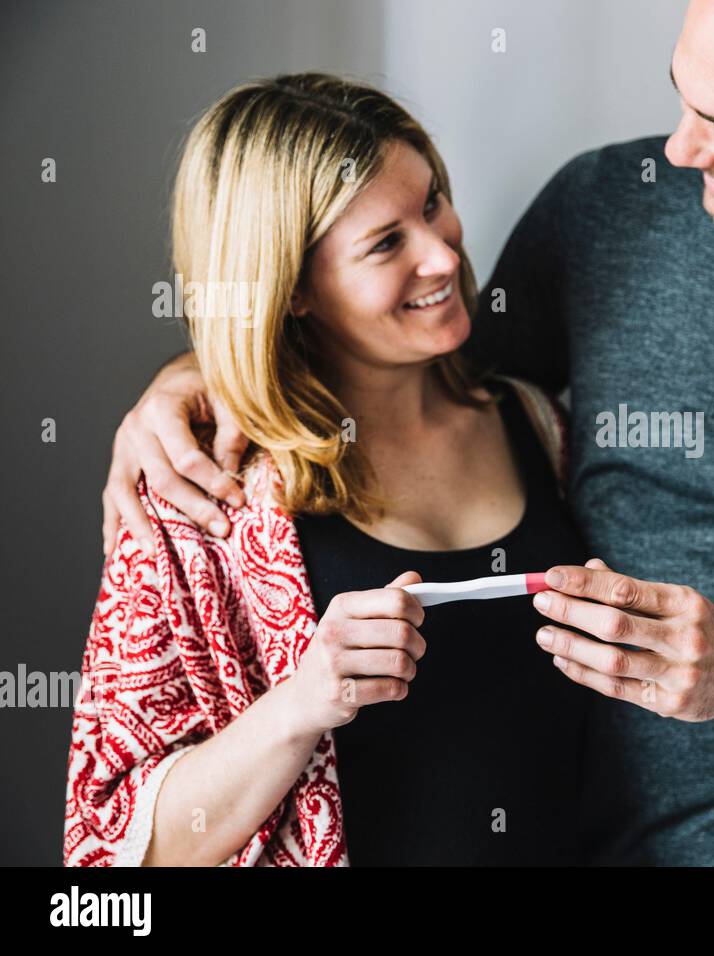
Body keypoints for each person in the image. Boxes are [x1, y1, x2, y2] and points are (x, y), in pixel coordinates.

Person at [100, 0, 714, 866]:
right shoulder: (600, 209)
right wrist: (195, 377)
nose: (677, 150)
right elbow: (420, 368)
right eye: (680, 94)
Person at [65, 73, 588, 867]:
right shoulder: (196, 497)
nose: (444, 253)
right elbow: (106, 858)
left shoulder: (539, 427)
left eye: (434, 200)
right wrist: (301, 705)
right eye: (386, 243)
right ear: (295, 289)